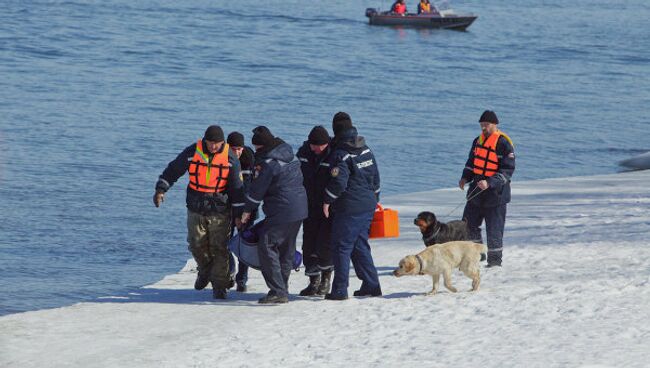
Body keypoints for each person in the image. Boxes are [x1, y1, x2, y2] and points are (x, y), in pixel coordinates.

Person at [153, 125, 244, 299]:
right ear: (205, 141)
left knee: (219, 248)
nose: (213, 147)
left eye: (217, 143)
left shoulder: (230, 157)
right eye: (211, 143)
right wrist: (161, 189)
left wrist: (239, 215)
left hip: (219, 210)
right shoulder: (193, 152)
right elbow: (174, 170)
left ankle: (220, 286)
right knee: (196, 244)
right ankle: (204, 271)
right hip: (195, 207)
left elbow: (237, 189)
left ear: (223, 142)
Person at [239, 126, 308, 304]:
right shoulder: (289, 154)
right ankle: (282, 288)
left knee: (267, 244)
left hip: (282, 210)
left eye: (256, 148)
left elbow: (257, 190)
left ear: (263, 146)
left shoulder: (269, 163)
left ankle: (278, 290)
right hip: (300, 208)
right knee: (286, 249)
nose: (255, 151)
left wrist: (247, 210)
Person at [323, 112, 382, 300]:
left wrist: (327, 200)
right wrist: (375, 198)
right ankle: (371, 285)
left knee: (341, 246)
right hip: (367, 204)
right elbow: (375, 177)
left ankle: (340, 289)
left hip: (350, 207)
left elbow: (338, 182)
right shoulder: (365, 148)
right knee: (359, 245)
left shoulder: (341, 154)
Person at [459, 110, 515, 268]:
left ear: (495, 125)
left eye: (487, 125)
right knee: (468, 225)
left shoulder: (504, 144)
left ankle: (495, 262)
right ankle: (478, 256)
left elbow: (508, 170)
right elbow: (471, 163)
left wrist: (490, 182)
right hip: (476, 192)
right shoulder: (477, 141)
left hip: (496, 195)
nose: (484, 128)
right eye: (482, 125)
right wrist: (465, 178)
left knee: (494, 230)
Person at [296, 126, 334, 297]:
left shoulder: (334, 154)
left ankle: (326, 279)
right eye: (313, 145)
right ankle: (313, 281)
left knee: (324, 246)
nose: (315, 149)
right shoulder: (303, 153)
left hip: (327, 209)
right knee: (308, 245)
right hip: (308, 206)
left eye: (319, 146)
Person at [226, 131, 256, 292]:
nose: (237, 152)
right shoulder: (223, 160)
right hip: (227, 208)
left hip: (246, 210)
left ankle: (242, 279)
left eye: (240, 149)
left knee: (245, 245)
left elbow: (254, 188)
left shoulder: (249, 160)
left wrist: (249, 210)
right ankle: (229, 272)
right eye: (234, 149)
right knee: (224, 243)